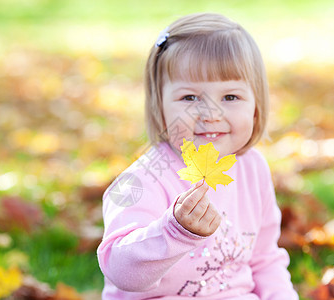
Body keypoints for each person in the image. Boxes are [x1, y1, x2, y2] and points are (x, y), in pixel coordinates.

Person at [97, 12, 299, 299]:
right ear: (160, 105)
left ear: (256, 104)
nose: (210, 114)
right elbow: (120, 271)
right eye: (189, 98)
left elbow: (264, 260)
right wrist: (173, 232)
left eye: (230, 97)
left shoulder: (253, 168)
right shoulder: (140, 181)